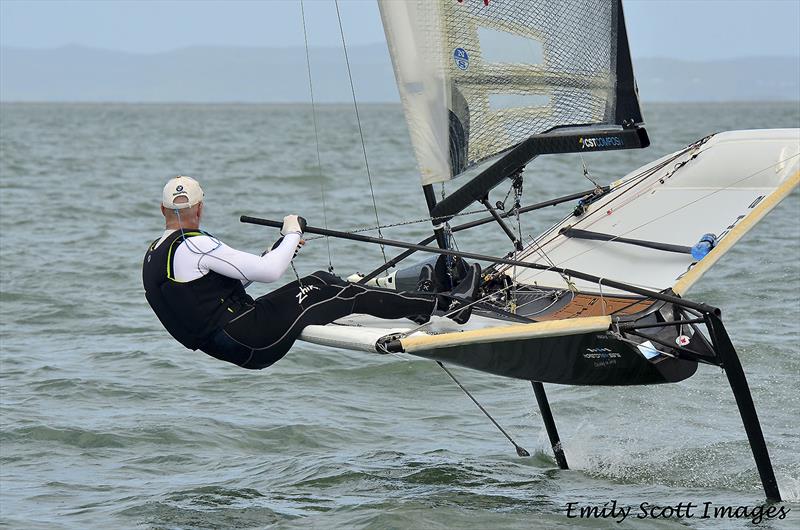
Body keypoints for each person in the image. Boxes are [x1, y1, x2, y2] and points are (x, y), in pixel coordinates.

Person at [143, 176, 480, 370]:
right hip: (251, 338)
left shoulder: (158, 252)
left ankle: (418, 304)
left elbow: (226, 283)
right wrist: (292, 232)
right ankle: (445, 306)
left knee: (321, 281)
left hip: (232, 342)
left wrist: (278, 247)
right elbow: (270, 273)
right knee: (333, 291)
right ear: (200, 208)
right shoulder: (195, 245)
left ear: (163, 210)